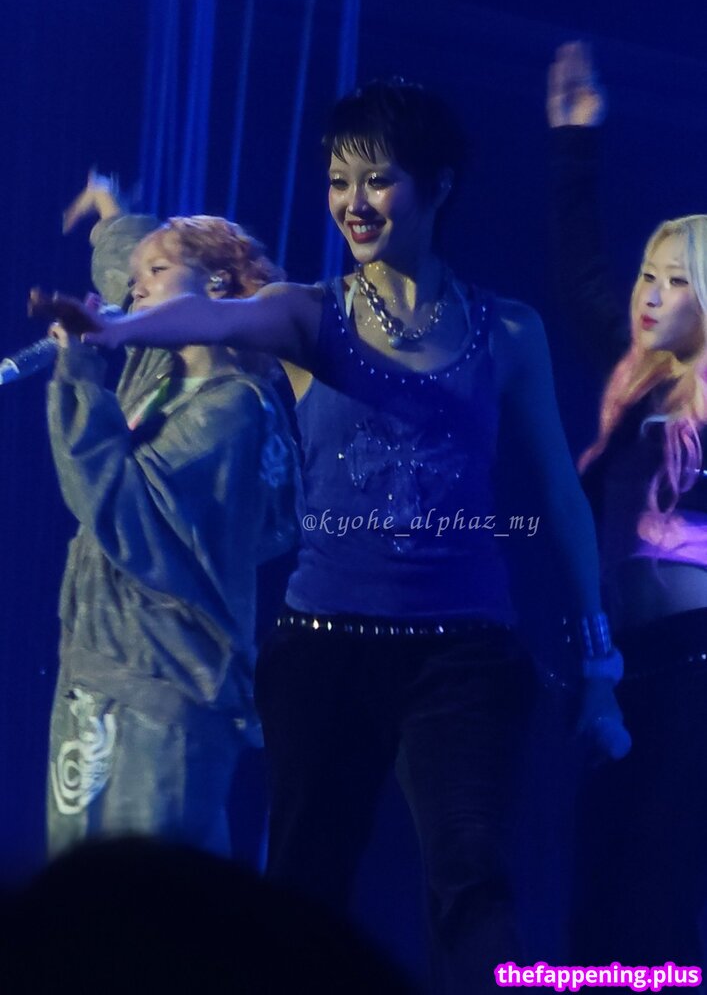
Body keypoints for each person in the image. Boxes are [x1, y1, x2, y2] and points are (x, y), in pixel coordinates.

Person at [39, 79, 626, 995]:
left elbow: (558, 492)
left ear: (437, 184)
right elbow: (211, 312)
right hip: (326, 649)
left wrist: (596, 661)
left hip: (463, 656)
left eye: (377, 179)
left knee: (471, 878)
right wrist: (114, 327)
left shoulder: (509, 330)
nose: (353, 202)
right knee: (304, 888)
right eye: (337, 180)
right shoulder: (310, 314)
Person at [38, 211, 298, 858]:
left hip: (164, 688)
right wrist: (112, 216)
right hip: (101, 677)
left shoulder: (232, 408)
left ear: (215, 285)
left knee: (142, 896)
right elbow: (127, 285)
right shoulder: (160, 375)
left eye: (156, 271)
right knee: (89, 895)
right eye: (137, 277)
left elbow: (119, 502)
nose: (137, 287)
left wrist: (78, 373)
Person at [548, 42, 707, 970]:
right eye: (647, 274)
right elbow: (578, 281)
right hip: (625, 664)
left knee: (657, 881)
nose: (650, 294)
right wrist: (575, 141)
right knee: (598, 885)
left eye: (675, 279)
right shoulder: (634, 384)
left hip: (698, 667)